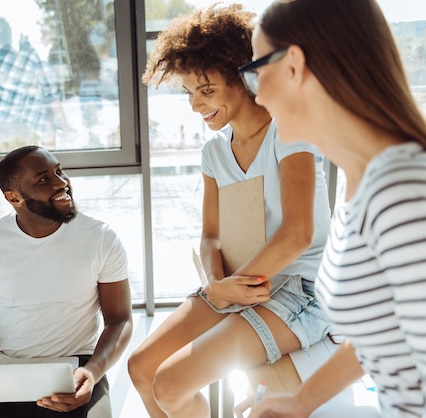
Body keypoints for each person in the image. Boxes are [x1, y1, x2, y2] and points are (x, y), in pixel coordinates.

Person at [127, 4, 332, 417]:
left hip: (301, 288)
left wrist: (234, 285)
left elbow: (297, 234)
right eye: (189, 93)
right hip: (241, 282)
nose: (196, 106)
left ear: (243, 77)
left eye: (207, 91)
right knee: (140, 367)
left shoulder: (289, 132)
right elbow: (210, 237)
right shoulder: (213, 153)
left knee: (169, 383)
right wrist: (216, 285)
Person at [235, 0, 426, 417]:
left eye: (257, 73)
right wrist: (299, 402)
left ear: (294, 65)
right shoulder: (361, 182)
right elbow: (381, 333)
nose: (259, 95)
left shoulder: (403, 194)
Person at [0, 145, 133, 417]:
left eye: (59, 172)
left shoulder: (101, 238)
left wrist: (92, 372)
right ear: (13, 197)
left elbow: (120, 319)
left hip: (73, 370)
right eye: (44, 179)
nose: (62, 183)